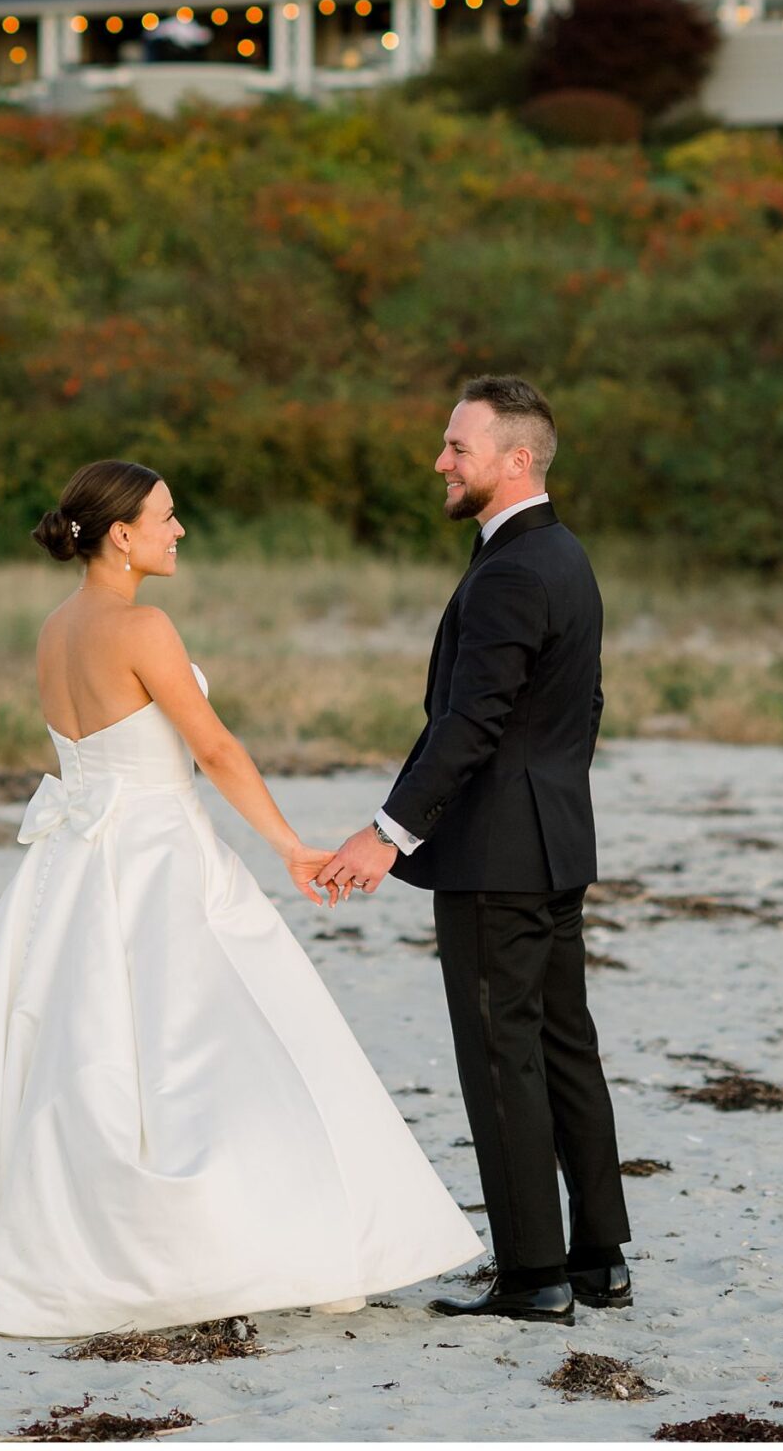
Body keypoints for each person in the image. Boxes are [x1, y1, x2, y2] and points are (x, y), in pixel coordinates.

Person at [0, 458, 480, 1337]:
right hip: (158, 855)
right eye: (165, 515)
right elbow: (217, 751)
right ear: (121, 535)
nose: (178, 528)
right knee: (230, 1041)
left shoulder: (53, 630)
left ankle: (62, 1234)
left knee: (88, 1053)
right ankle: (264, 1240)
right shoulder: (143, 625)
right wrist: (291, 849)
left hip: (73, 864)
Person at [321, 375, 632, 1327]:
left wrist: (386, 834)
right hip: (554, 845)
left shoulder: (509, 571)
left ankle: (533, 1276)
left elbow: (471, 723)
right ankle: (598, 1261)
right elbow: (580, 706)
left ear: (516, 459)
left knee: (504, 1057)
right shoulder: (565, 556)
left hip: (496, 857)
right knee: (566, 1047)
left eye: (458, 448)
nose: (440, 461)